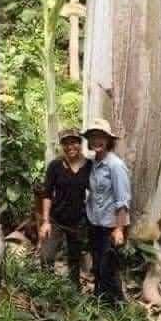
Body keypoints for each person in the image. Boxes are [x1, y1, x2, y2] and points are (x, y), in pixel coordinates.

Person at [82, 118, 131, 305]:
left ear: (108, 140)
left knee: (108, 268)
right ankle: (99, 300)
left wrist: (119, 229)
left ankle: (119, 306)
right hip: (95, 224)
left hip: (110, 227)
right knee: (97, 266)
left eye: (101, 137)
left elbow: (123, 201)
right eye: (93, 137)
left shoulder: (115, 165)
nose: (96, 141)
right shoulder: (93, 163)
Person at [39, 128, 92, 288]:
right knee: (46, 256)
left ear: (80, 143)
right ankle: (47, 289)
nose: (70, 146)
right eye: (66, 143)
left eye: (74, 142)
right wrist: (46, 221)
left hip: (77, 221)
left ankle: (73, 293)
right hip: (56, 219)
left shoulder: (89, 166)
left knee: (74, 260)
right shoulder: (55, 166)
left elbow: (97, 192)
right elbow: (47, 193)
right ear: (62, 145)